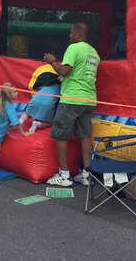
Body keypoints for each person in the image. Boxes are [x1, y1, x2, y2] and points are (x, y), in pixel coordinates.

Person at [43, 22, 100, 187]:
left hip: (72, 99)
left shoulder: (74, 48)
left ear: (77, 33)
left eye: (70, 33)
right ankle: (86, 174)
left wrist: (52, 61)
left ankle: (65, 175)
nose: (69, 36)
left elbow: (64, 71)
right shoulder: (94, 53)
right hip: (89, 99)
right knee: (84, 135)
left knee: (60, 134)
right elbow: (80, 73)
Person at [18, 64, 62, 132]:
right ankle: (37, 124)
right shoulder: (61, 89)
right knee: (50, 122)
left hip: (35, 99)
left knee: (27, 113)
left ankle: (20, 122)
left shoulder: (47, 85)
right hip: (47, 103)